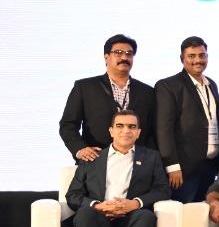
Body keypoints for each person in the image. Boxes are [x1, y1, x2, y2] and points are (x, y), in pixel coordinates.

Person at [60, 34, 157, 162]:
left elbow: (152, 131)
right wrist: (80, 149)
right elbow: (68, 125)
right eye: (118, 53)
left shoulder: (147, 91)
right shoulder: (85, 87)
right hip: (96, 161)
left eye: (129, 54)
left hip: (137, 164)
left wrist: (150, 159)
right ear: (106, 57)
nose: (124, 57)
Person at [155, 36, 219, 202]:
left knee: (204, 212)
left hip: (210, 165)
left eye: (202, 55)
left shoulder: (211, 84)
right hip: (183, 168)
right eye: (191, 56)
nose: (198, 60)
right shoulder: (168, 85)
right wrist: (172, 166)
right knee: (184, 212)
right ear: (182, 58)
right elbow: (163, 129)